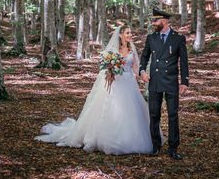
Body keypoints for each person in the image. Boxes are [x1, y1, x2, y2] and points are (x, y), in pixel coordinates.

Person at [35, 25, 152, 155]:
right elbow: (106, 67)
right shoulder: (113, 50)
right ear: (120, 35)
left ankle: (130, 139)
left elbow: (135, 68)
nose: (130, 35)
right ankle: (105, 139)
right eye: (128, 33)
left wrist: (143, 76)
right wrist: (110, 71)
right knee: (111, 110)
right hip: (115, 84)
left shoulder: (131, 49)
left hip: (129, 84)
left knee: (132, 111)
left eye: (131, 33)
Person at [139, 8, 189, 160]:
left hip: (171, 82)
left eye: (156, 20)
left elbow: (184, 61)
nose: (153, 23)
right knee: (154, 114)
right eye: (153, 21)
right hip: (154, 81)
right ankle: (155, 146)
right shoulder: (151, 38)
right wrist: (142, 71)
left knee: (173, 115)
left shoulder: (178, 38)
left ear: (165, 21)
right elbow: (144, 57)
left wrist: (184, 82)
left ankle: (173, 148)